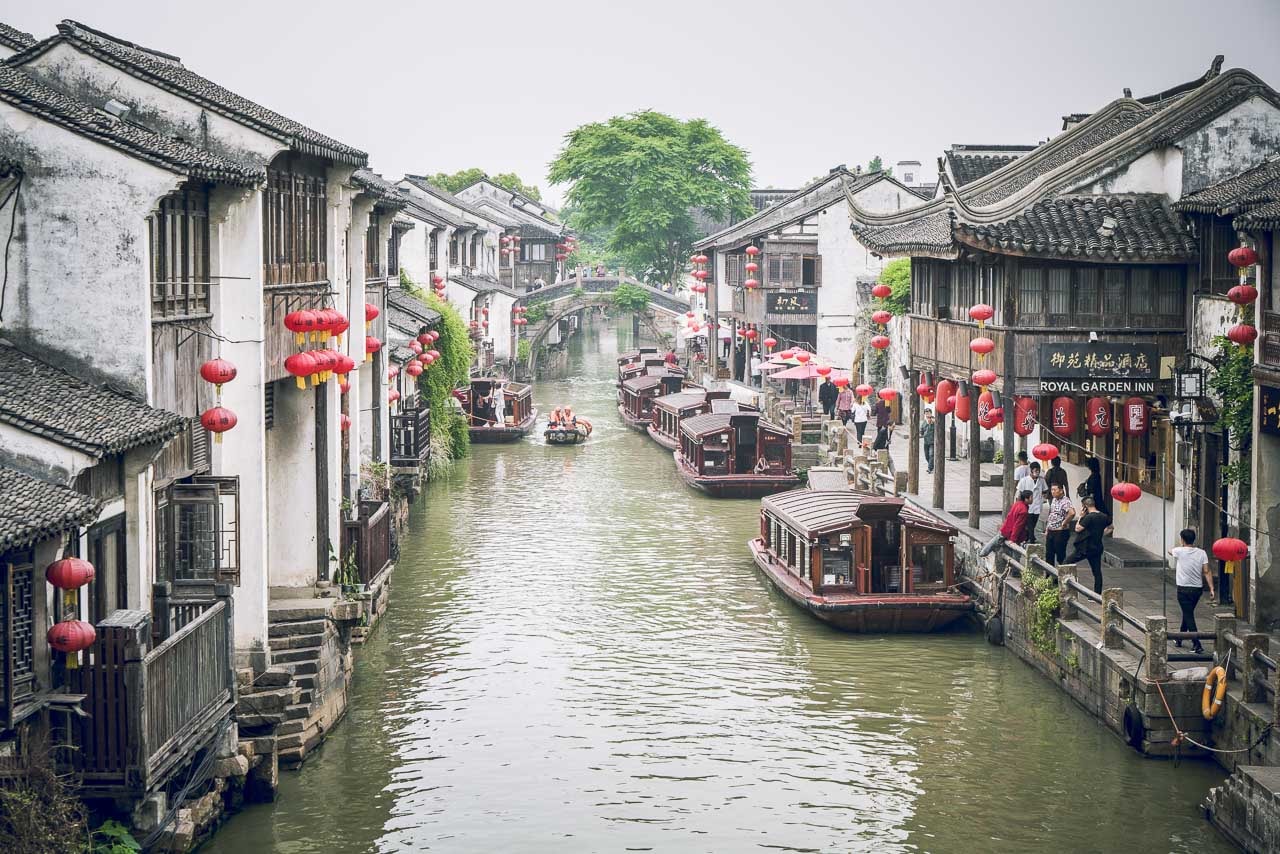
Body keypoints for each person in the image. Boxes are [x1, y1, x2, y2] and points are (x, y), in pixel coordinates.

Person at [1170, 528, 1214, 653]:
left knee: (1188, 615)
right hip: (1197, 590)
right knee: (1187, 612)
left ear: (1182, 539)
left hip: (1183, 589)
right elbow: (1206, 571)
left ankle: (1197, 643)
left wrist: (1181, 547)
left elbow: (1170, 551)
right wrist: (1211, 588)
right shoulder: (1202, 553)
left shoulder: (1179, 551)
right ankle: (1179, 639)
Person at [1068, 497, 1113, 594]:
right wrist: (1101, 534)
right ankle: (1097, 594)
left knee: (1067, 562)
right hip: (1097, 547)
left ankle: (1068, 584)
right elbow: (1111, 528)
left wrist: (1080, 516)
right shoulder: (1104, 516)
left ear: (1085, 506)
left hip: (1085, 547)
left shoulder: (1089, 517)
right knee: (1097, 572)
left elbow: (1077, 529)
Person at [1043, 483, 1076, 565]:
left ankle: (1062, 574)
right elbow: (1051, 515)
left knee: (1060, 555)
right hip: (1051, 530)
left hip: (1060, 531)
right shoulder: (1054, 500)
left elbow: (1072, 513)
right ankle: (1049, 575)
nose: (1053, 492)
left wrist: (1064, 523)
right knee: (1049, 554)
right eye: (1051, 490)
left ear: (1061, 491)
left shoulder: (1065, 501)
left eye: (1055, 490)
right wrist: (1047, 528)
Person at [1016, 462, 1049, 543]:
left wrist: (1045, 495)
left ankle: (1027, 537)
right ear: (1031, 470)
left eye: (1038, 471)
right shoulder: (1024, 480)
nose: (1037, 472)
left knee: (1033, 523)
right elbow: (1019, 493)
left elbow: (1045, 490)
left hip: (1037, 505)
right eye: (1035, 471)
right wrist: (1018, 505)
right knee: (1029, 523)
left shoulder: (1041, 480)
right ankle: (1031, 540)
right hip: (1027, 506)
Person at [922, 407, 936, 474]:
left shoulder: (934, 421)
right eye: (926, 414)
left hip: (932, 442)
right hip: (926, 442)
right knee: (926, 456)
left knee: (931, 455)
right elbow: (921, 430)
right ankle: (931, 466)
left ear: (931, 413)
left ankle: (929, 468)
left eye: (928, 413)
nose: (927, 415)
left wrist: (931, 423)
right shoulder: (924, 422)